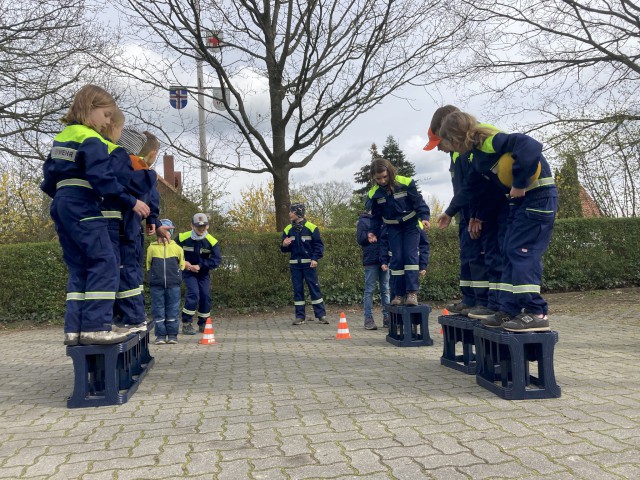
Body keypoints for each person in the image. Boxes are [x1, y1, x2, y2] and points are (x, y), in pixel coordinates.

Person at [40, 84, 150, 345]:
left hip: (62, 202)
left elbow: (48, 178)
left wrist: (64, 199)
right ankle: (97, 327)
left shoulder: (64, 135)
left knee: (80, 267)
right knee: (105, 261)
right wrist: (130, 201)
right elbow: (102, 177)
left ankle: (74, 329)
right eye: (107, 114)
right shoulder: (93, 139)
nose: (108, 121)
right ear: (91, 108)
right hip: (83, 203)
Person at [439, 111, 557, 332]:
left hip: (537, 196)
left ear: (455, 139)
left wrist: (520, 182)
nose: (450, 150)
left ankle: (536, 312)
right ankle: (508, 309)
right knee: (507, 252)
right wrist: (450, 211)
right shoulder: (475, 156)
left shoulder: (490, 141)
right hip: (519, 202)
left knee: (521, 252)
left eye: (448, 144)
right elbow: (471, 188)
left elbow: (530, 146)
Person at [424, 105, 495, 317]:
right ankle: (469, 298)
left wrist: (477, 215)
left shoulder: (470, 151)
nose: (440, 149)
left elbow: (479, 186)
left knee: (480, 257)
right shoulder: (457, 154)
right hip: (465, 213)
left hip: (477, 213)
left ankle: (484, 301)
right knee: (468, 256)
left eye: (441, 142)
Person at [367, 159, 430, 306]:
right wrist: (372, 232)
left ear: (390, 172)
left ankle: (412, 293)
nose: (382, 181)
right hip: (392, 228)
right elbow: (376, 217)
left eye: (385, 176)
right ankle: (399, 294)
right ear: (373, 177)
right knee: (397, 258)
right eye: (378, 178)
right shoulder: (374, 194)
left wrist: (424, 217)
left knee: (410, 255)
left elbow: (419, 203)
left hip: (410, 225)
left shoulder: (406, 183)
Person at [281, 203, 329, 325]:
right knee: (297, 290)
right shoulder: (288, 229)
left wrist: (315, 259)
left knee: (314, 288)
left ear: (298, 212)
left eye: (291, 211)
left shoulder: (312, 227)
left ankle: (321, 315)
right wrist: (284, 245)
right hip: (295, 265)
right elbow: (284, 248)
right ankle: (300, 317)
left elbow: (318, 245)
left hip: (309, 265)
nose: (289, 213)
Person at [176, 213, 222, 334]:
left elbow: (216, 260)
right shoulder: (181, 238)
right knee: (194, 294)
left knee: (205, 295)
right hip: (188, 272)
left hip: (203, 273)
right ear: (192, 225)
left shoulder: (211, 241)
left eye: (204, 226)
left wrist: (200, 266)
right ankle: (186, 323)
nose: (201, 229)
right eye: (198, 226)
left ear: (207, 226)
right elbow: (173, 252)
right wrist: (183, 262)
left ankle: (203, 323)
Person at [146, 219, 185, 344]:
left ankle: (173, 335)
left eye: (167, 231)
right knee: (158, 310)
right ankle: (160, 336)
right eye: (162, 231)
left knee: (173, 309)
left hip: (173, 285)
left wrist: (177, 276)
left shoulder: (177, 248)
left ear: (171, 232)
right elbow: (148, 265)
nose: (164, 234)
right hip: (156, 285)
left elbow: (182, 265)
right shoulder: (151, 248)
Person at [356, 203, 390, 330]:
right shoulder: (363, 221)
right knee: (369, 290)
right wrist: (368, 236)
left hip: (384, 259)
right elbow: (360, 239)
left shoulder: (384, 219)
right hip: (371, 259)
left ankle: (387, 317)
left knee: (385, 289)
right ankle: (368, 318)